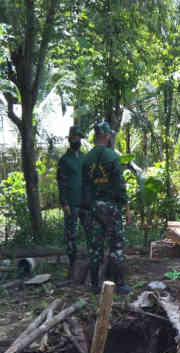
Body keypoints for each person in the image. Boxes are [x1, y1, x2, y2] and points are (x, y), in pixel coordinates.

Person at [81, 121, 132, 295]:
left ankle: (95, 284)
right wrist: (126, 207)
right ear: (106, 135)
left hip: (93, 207)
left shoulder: (86, 158)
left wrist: (86, 208)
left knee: (95, 246)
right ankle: (119, 284)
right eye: (109, 134)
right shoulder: (112, 157)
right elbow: (119, 185)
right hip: (111, 207)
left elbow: (85, 186)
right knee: (116, 244)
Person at [57, 126, 91, 280]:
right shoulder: (65, 160)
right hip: (71, 203)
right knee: (71, 236)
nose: (77, 140)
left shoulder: (85, 158)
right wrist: (64, 203)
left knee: (90, 233)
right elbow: (61, 183)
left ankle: (92, 266)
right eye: (75, 137)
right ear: (70, 139)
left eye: (79, 138)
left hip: (85, 203)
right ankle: (72, 267)